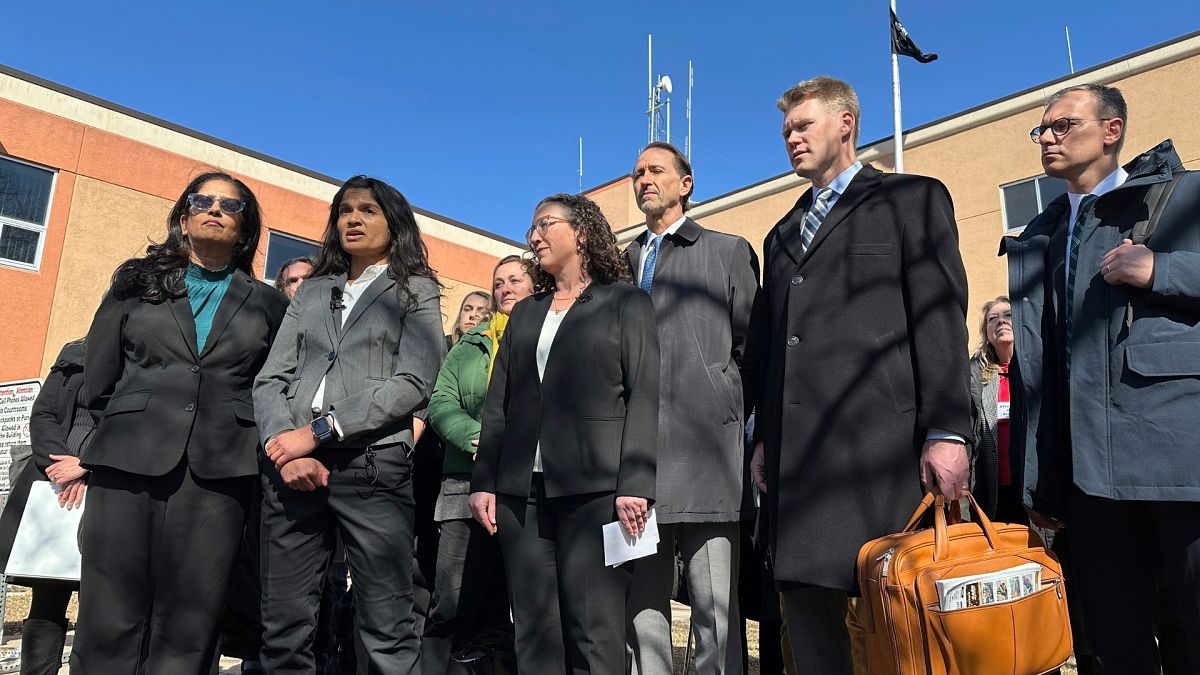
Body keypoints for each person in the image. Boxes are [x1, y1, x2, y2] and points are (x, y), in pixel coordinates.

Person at [747, 76, 972, 673]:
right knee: (813, 631)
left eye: (803, 125)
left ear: (846, 123)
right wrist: (766, 435)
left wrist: (948, 430)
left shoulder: (912, 198)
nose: (791, 139)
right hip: (800, 466)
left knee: (895, 625)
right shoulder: (780, 234)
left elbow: (939, 316)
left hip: (882, 457)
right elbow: (775, 347)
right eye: (785, 131)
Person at [1005, 82, 1200, 673]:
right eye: (1041, 129)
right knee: (1113, 641)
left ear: (1111, 131)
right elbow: (1039, 363)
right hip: (1087, 473)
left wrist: (1163, 269)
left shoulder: (1182, 195)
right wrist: (1042, 480)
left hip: (1176, 464)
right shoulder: (1042, 235)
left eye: (1062, 125)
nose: (1046, 138)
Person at [70, 172, 288, 674]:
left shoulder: (270, 304)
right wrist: (113, 429)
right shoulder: (136, 282)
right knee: (110, 606)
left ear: (244, 229)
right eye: (202, 201)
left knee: (192, 613)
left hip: (220, 470)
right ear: (184, 219)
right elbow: (100, 374)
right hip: (128, 457)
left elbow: (274, 383)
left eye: (228, 206)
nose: (214, 209)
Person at [253, 175, 445, 674]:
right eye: (344, 211)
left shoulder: (416, 291)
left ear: (393, 223)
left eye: (367, 210)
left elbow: (413, 382)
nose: (353, 219)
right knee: (283, 625)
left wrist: (317, 433)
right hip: (290, 468)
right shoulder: (314, 291)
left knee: (387, 624)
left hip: (372, 467)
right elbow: (271, 377)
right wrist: (281, 444)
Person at [469, 193, 660, 675]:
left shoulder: (626, 302)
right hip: (520, 493)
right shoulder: (526, 313)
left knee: (594, 630)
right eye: (530, 228)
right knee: (534, 628)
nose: (533, 236)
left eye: (544, 224)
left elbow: (644, 393)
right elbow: (500, 401)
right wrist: (483, 481)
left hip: (596, 490)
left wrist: (635, 483)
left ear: (581, 232)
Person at [623, 142, 760, 675]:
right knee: (642, 605)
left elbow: (752, 348)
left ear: (686, 184)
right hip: (636, 458)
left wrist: (722, 402)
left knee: (714, 607)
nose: (643, 180)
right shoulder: (621, 264)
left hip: (707, 452)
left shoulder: (727, 250)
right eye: (637, 173)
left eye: (656, 170)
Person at [422, 254, 533, 674]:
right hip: (463, 479)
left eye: (515, 280)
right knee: (451, 593)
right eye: (498, 281)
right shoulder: (468, 344)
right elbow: (440, 401)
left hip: (525, 482)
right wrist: (479, 439)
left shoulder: (550, 336)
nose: (504, 288)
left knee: (514, 594)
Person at [0, 339, 90, 675]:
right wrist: (61, 467)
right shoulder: (74, 352)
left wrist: (88, 465)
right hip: (54, 488)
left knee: (101, 607)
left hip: (110, 488)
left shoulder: (142, 357)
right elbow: (44, 414)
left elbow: (134, 424)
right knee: (47, 599)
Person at [967, 296, 1025, 522]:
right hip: (992, 487)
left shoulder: (1037, 368)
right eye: (993, 319)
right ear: (987, 333)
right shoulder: (975, 374)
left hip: (1031, 488)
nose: (1001, 321)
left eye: (1008, 315)